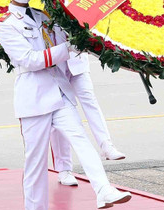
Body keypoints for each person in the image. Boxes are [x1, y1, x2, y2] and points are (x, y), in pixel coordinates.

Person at [0, 0, 130, 210]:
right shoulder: (5, 24)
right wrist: (65, 50)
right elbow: (27, 60)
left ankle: (103, 188)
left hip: (58, 92)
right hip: (33, 101)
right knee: (35, 166)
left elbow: (65, 40)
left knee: (81, 139)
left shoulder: (44, 17)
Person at [49, 46, 126, 184]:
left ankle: (106, 145)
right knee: (58, 114)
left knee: (90, 101)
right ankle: (63, 169)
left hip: (78, 62)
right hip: (54, 66)